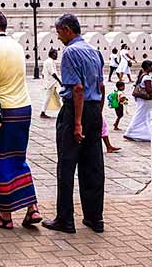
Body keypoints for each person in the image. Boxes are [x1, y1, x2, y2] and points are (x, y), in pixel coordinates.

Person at [0, 11, 42, 230]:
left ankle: (5, 216)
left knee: (0, 161)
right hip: (24, 108)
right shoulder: (15, 45)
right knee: (18, 159)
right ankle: (32, 208)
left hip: (5, 112)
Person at [43, 14, 105, 234]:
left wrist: (77, 123)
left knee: (67, 165)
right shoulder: (94, 51)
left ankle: (65, 219)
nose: (58, 37)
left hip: (75, 111)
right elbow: (101, 86)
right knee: (93, 166)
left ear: (68, 30)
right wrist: (97, 114)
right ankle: (95, 217)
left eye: (59, 32)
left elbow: (77, 89)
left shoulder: (70, 52)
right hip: (94, 109)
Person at [123, 60, 152, 143]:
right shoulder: (146, 77)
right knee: (140, 116)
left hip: (146, 101)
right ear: (148, 67)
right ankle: (130, 133)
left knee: (150, 117)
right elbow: (149, 90)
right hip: (145, 101)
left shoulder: (144, 75)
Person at [40, 48, 62, 119]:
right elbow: (53, 73)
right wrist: (59, 81)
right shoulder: (49, 62)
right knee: (48, 98)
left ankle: (62, 111)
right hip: (51, 83)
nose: (57, 56)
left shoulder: (47, 61)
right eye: (56, 54)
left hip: (50, 82)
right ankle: (42, 112)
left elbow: (43, 73)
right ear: (52, 54)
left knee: (56, 97)